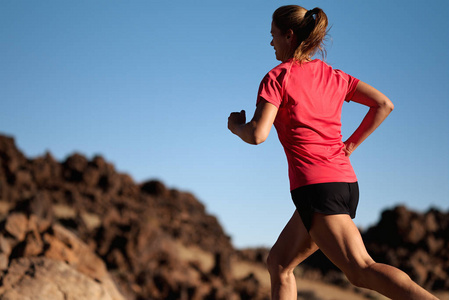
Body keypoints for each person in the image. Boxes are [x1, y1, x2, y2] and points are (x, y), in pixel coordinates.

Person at [228, 5, 438, 300]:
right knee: (279, 263)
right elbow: (383, 104)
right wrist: (349, 146)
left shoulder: (278, 77)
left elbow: (258, 134)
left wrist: (236, 126)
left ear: (288, 36)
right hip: (341, 183)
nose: (270, 42)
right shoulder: (334, 76)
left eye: (273, 35)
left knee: (361, 269)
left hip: (317, 189)